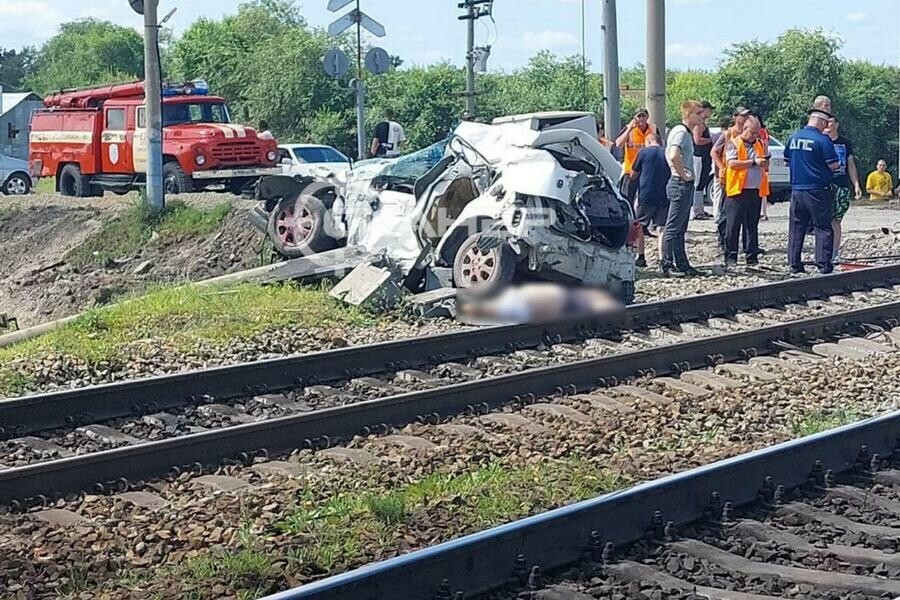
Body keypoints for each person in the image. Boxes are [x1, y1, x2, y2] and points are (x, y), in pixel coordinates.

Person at [784, 106, 840, 274]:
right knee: (822, 227)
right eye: (826, 123)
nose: (826, 127)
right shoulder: (822, 141)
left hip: (796, 189)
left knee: (796, 226)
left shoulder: (793, 137)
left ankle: (794, 263)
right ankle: (823, 264)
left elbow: (787, 161)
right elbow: (834, 165)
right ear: (822, 121)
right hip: (817, 190)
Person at [661, 100, 705, 276]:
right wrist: (683, 173)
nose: (703, 116)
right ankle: (667, 264)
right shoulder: (680, 132)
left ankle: (682, 264)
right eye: (699, 113)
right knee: (672, 227)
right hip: (679, 184)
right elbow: (673, 155)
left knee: (680, 227)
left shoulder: (684, 133)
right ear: (689, 115)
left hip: (682, 184)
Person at [723, 116, 768, 267]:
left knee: (752, 225)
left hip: (755, 191)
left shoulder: (759, 144)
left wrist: (764, 163)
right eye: (753, 132)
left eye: (758, 133)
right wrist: (753, 162)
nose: (756, 136)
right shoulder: (734, 143)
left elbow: (762, 163)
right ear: (745, 129)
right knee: (733, 225)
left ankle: (752, 256)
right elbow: (732, 163)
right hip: (737, 191)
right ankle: (731, 257)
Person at [711, 107, 752, 248]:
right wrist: (722, 168)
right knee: (726, 211)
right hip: (729, 178)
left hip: (744, 179)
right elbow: (714, 152)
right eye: (743, 115)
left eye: (748, 115)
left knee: (745, 214)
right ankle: (723, 240)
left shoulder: (748, 133)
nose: (746, 118)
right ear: (735, 117)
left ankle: (747, 245)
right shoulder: (728, 134)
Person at [824, 117, 862, 263]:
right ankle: (823, 252)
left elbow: (850, 165)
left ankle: (834, 252)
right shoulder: (821, 141)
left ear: (837, 124)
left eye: (831, 121)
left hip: (841, 184)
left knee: (836, 220)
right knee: (823, 220)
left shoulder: (845, 143)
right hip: (825, 185)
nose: (828, 124)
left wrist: (856, 184)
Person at [629, 133, 671, 267]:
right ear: (660, 141)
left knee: (640, 225)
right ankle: (662, 259)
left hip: (646, 195)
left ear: (648, 141)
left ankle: (641, 257)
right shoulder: (667, 153)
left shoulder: (643, 152)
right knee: (661, 227)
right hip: (664, 194)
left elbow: (633, 174)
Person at [615, 108, 659, 202]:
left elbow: (659, 147)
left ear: (647, 117)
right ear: (634, 118)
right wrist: (630, 128)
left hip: (647, 170)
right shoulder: (629, 129)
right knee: (627, 198)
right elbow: (618, 144)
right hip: (630, 170)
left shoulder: (653, 128)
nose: (641, 119)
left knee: (645, 199)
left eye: (644, 115)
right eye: (639, 116)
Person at [691, 100, 714, 220]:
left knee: (702, 182)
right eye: (709, 109)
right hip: (699, 156)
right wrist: (711, 140)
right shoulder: (698, 124)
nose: (710, 112)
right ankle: (696, 210)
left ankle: (700, 209)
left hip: (705, 156)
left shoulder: (702, 123)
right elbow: (697, 140)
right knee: (697, 182)